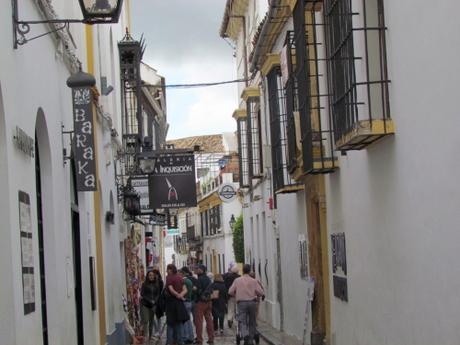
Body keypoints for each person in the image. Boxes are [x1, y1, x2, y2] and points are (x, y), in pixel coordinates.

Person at [228, 264, 264, 345]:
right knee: (252, 321)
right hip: (252, 303)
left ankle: (245, 335)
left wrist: (236, 295)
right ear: (249, 271)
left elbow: (230, 291)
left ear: (243, 270)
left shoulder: (237, 280)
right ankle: (250, 339)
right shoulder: (253, 281)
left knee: (242, 321)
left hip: (241, 303)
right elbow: (261, 292)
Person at [165, 264, 189, 345]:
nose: (167, 271)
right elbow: (185, 289)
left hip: (171, 303)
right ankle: (180, 342)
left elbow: (170, 289)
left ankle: (170, 342)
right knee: (179, 323)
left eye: (168, 269)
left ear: (170, 270)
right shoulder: (179, 277)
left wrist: (177, 295)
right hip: (179, 303)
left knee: (170, 324)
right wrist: (181, 295)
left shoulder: (169, 278)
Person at [193, 265, 214, 345]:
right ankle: (211, 338)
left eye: (197, 268)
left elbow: (197, 291)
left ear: (201, 270)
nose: (196, 270)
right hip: (208, 301)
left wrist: (194, 290)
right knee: (209, 320)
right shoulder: (208, 279)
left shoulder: (199, 279)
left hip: (201, 302)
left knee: (199, 321)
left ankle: (199, 339)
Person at [140, 270, 163, 342]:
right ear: (147, 276)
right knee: (145, 320)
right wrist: (150, 300)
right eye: (150, 275)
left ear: (154, 276)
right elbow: (142, 294)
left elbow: (158, 294)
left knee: (151, 321)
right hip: (145, 304)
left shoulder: (156, 284)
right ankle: (146, 336)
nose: (151, 276)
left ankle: (150, 337)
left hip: (153, 305)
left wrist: (155, 301)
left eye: (152, 275)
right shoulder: (144, 284)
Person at [179, 267, 195, 344]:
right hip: (189, 301)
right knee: (188, 321)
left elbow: (183, 292)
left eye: (179, 274)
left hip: (185, 301)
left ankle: (186, 337)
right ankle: (191, 336)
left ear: (182, 274)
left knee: (185, 321)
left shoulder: (183, 281)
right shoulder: (189, 281)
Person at [223, 264, 240, 328]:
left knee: (230, 308)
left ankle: (230, 319)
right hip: (238, 295)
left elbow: (225, 286)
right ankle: (238, 319)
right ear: (237, 271)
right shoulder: (239, 277)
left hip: (230, 295)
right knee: (238, 308)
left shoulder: (227, 277)